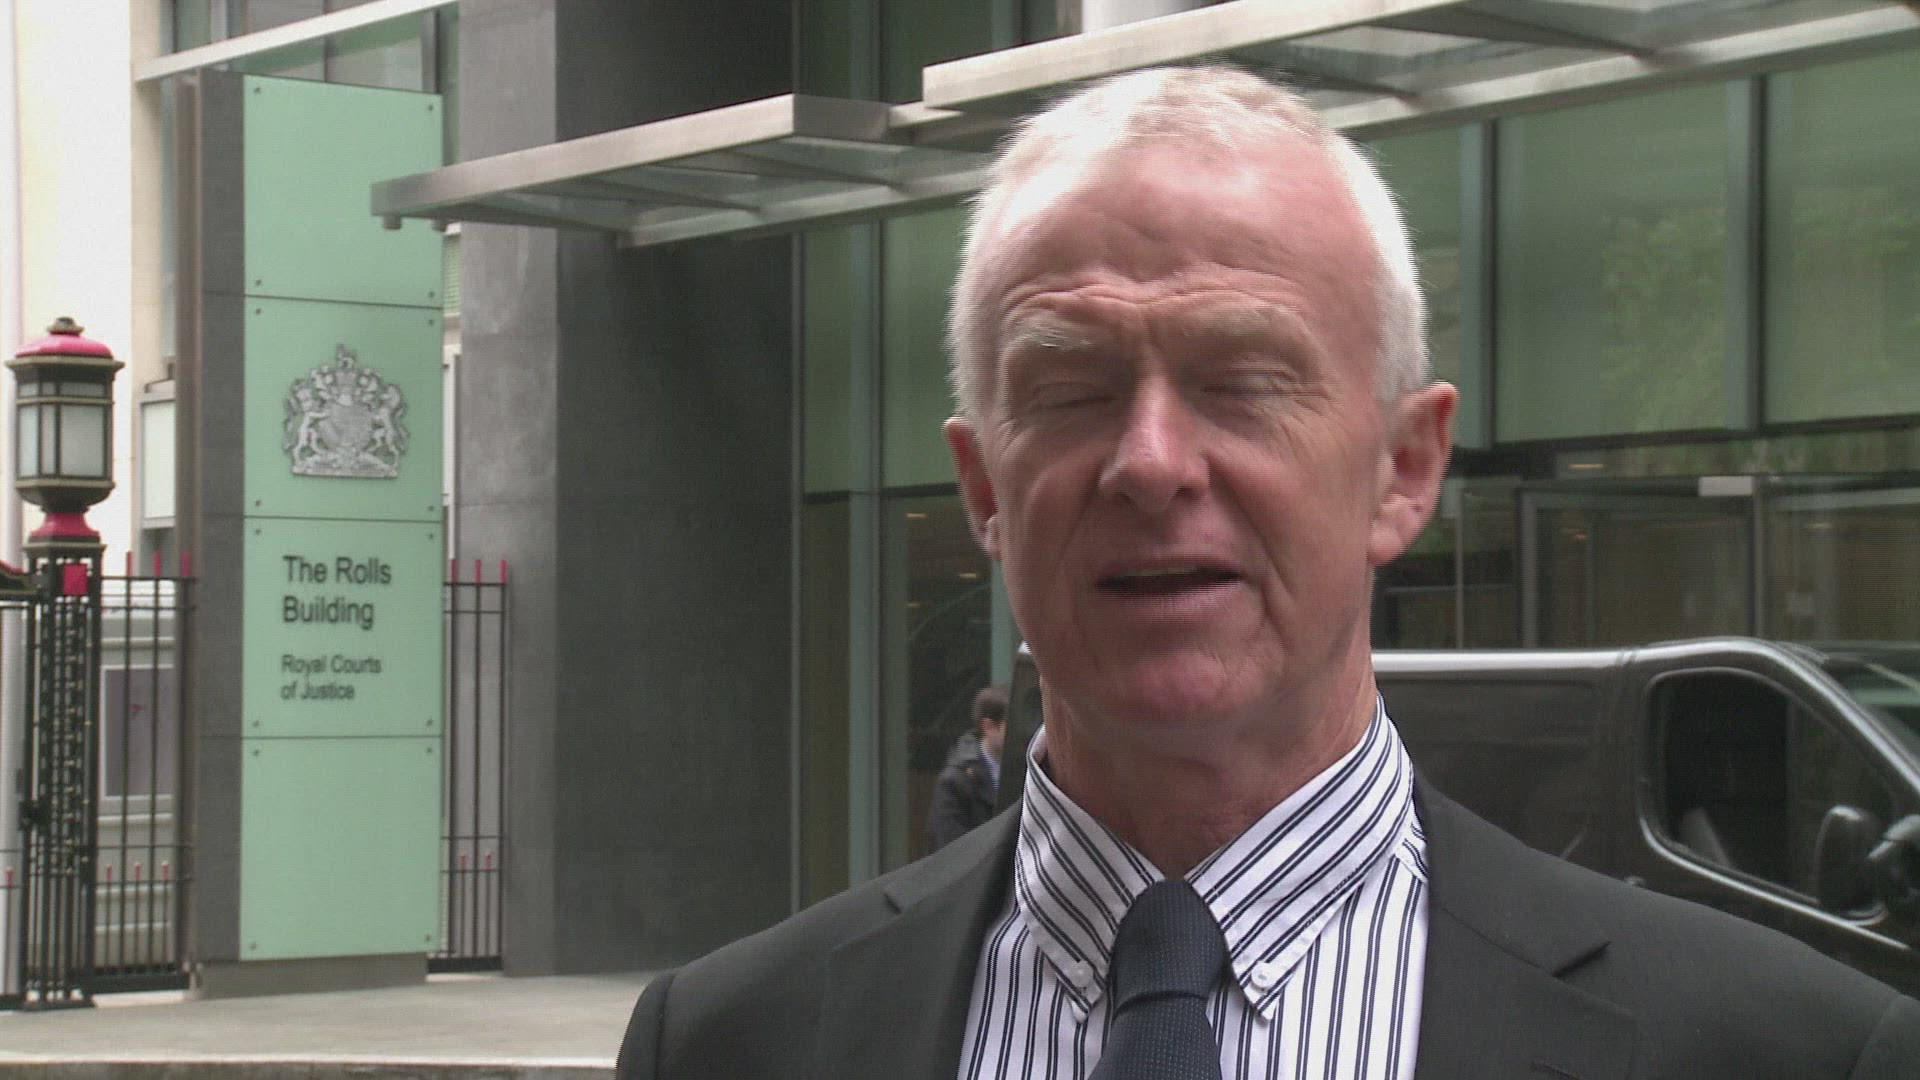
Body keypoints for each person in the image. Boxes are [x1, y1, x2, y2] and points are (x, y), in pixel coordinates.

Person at [617, 66, 1920, 1079]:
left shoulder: (1790, 1053)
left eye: (1243, 380)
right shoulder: (731, 1044)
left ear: (1404, 469)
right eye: (1071, 389)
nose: (1150, 463)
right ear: (983, 490)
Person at [926, 685, 1009, 852]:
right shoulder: (955, 782)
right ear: (989, 727)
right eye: (1011, 725)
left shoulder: (1032, 769)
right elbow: (951, 848)